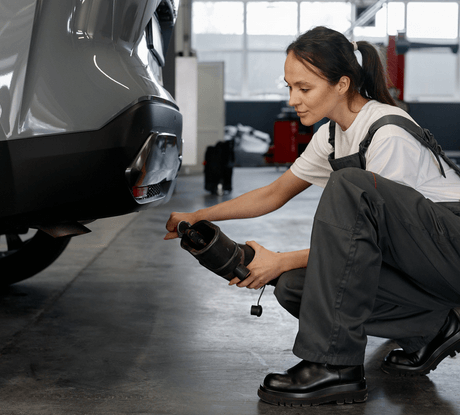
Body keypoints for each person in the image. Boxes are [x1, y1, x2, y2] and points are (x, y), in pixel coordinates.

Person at [165, 26, 460, 406]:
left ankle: (334, 368)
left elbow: (370, 245)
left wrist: (279, 260)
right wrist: (198, 214)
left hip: (451, 247)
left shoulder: (387, 133)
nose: (294, 100)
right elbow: (274, 193)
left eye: (304, 89)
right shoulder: (333, 135)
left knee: (350, 187)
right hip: (424, 261)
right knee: (294, 287)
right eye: (289, 87)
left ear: (341, 84)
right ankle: (435, 328)